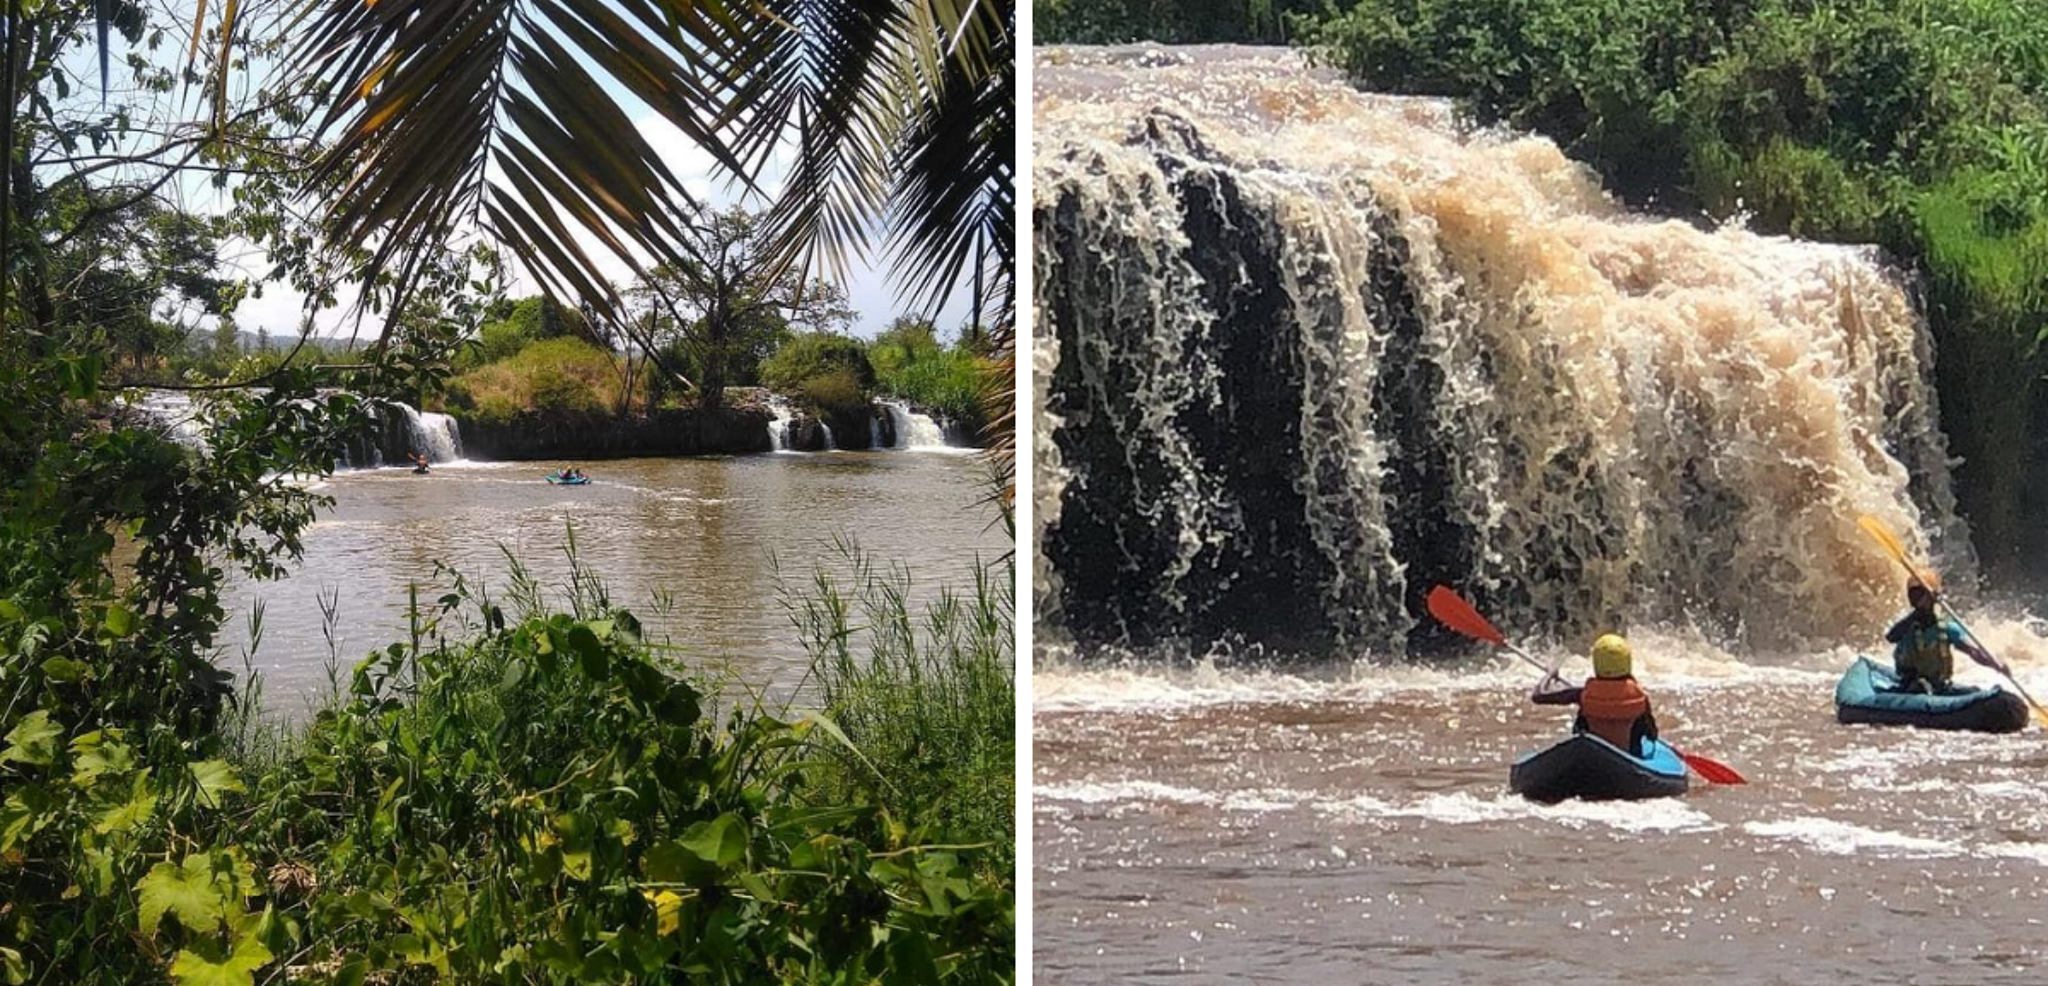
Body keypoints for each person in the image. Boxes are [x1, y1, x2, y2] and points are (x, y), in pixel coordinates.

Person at [1532, 633, 1660, 756]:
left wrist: (1549, 675)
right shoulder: (1639, 696)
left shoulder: (1583, 694)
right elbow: (1652, 735)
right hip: (1629, 755)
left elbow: (1539, 696)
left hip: (1590, 755)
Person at [1884, 570, 1992, 693]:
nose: (1916, 599)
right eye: (1912, 594)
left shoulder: (1947, 628)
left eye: (1920, 594)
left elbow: (1972, 651)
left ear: (1932, 597)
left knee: (1975, 691)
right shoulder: (1907, 626)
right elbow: (1891, 637)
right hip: (1910, 684)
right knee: (1920, 686)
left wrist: (1995, 664)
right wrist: (1918, 612)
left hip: (1939, 685)